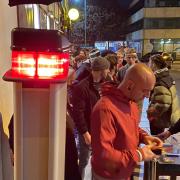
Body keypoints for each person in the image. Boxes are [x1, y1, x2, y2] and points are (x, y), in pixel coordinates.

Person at [91, 63, 163, 180]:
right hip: (109, 176)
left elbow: (130, 127)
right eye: (145, 91)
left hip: (125, 171)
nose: (147, 96)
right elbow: (103, 155)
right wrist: (139, 154)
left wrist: (144, 137)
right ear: (130, 85)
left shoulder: (131, 102)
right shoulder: (105, 109)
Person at [72, 57, 110, 179]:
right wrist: (85, 133)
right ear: (101, 70)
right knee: (84, 161)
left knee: (100, 162)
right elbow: (78, 113)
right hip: (88, 131)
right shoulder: (82, 87)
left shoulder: (106, 84)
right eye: (107, 69)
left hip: (103, 131)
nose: (109, 71)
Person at [147, 54, 180, 135]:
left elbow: (164, 103)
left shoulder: (159, 80)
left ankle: (157, 147)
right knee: (160, 135)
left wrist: (151, 113)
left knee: (156, 137)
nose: (148, 64)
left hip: (159, 118)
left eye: (149, 62)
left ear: (154, 64)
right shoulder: (166, 76)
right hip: (165, 115)